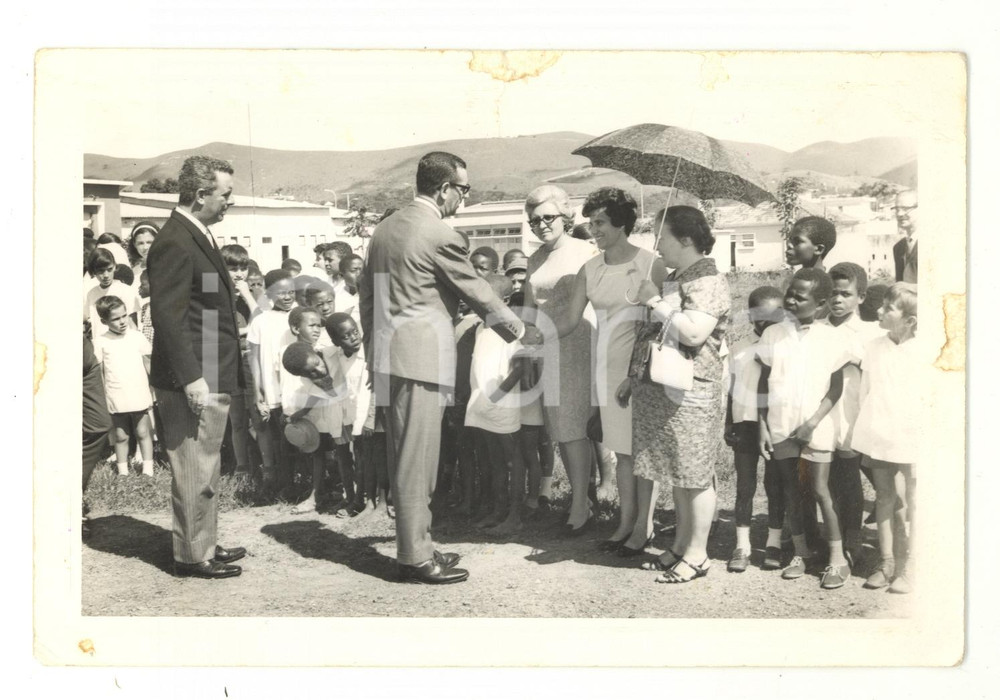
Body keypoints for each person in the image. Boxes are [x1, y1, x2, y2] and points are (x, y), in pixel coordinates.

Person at [359, 151, 540, 584]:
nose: (465, 199)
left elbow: (368, 297)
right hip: (421, 361)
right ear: (443, 189)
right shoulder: (437, 233)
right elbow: (477, 290)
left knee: (406, 455)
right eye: (463, 190)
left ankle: (416, 546)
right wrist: (522, 331)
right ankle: (415, 557)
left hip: (391, 357)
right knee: (417, 461)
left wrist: (373, 352)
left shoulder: (385, 230)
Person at [146, 155, 246, 579]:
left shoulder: (196, 236)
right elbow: (168, 318)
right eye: (225, 194)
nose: (230, 201)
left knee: (207, 464)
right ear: (201, 194)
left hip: (212, 367)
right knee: (193, 465)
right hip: (194, 376)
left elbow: (203, 307)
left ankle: (202, 539)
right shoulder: (175, 240)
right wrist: (191, 378)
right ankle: (191, 556)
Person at [620, 206, 731, 584]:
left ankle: (699, 554)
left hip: (693, 390)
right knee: (678, 472)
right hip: (665, 387)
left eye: (661, 236)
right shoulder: (676, 276)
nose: (657, 244)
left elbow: (695, 333)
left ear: (685, 239)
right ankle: (683, 545)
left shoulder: (709, 280)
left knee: (695, 474)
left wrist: (655, 301)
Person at [551, 187, 663, 552]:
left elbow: (661, 324)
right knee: (623, 452)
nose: (593, 230)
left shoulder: (651, 264)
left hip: (642, 372)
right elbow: (568, 321)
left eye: (599, 222)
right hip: (605, 370)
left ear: (621, 222)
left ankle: (642, 529)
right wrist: (528, 335)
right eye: (591, 223)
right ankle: (625, 524)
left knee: (642, 452)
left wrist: (636, 374)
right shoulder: (590, 268)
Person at [757, 268, 852, 589]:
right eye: (790, 293)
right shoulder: (773, 335)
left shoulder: (832, 338)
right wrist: (762, 426)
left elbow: (835, 390)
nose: (791, 299)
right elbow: (762, 385)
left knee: (821, 491)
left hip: (817, 428)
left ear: (821, 302)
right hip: (780, 426)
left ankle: (837, 559)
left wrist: (811, 423)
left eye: (801, 296)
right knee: (791, 493)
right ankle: (801, 552)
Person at [522, 184, 598, 534]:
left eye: (548, 217)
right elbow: (528, 307)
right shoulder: (535, 258)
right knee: (561, 429)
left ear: (566, 216)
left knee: (573, 428)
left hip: (579, 343)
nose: (541, 225)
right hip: (547, 349)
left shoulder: (586, 251)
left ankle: (581, 505)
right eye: (534, 220)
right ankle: (582, 499)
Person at [853, 283, 920, 594]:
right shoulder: (874, 346)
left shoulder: (924, 350)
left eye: (888, 309)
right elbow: (867, 390)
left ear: (910, 320)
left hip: (914, 437)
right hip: (880, 434)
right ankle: (887, 562)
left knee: (917, 503)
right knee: (884, 498)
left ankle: (913, 565)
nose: (879, 311)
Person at [821, 262, 884, 564]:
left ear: (861, 297)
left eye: (846, 294)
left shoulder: (869, 333)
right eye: (832, 293)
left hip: (852, 414)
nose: (837, 300)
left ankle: (853, 535)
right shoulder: (817, 329)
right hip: (822, 416)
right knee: (828, 479)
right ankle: (832, 535)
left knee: (851, 478)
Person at [724, 286, 786, 572]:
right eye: (760, 318)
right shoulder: (740, 348)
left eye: (774, 317)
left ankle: (773, 542)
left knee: (774, 486)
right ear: (750, 317)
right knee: (745, 486)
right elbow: (732, 389)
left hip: (775, 425)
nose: (767, 324)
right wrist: (729, 423)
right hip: (744, 423)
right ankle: (742, 545)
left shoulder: (786, 347)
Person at [464, 274, 528, 533]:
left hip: (502, 405)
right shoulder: (482, 327)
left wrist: (498, 397)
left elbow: (520, 367)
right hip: (481, 404)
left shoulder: (512, 327)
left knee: (512, 460)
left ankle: (515, 516)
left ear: (503, 300)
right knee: (493, 461)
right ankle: (497, 511)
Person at [247, 269, 297, 495]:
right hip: (272, 387)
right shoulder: (260, 321)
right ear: (268, 294)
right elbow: (254, 357)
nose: (287, 297)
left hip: (295, 388)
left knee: (297, 435)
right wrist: (258, 389)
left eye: (291, 292)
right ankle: (281, 484)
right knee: (277, 437)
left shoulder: (300, 316)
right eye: (281, 293)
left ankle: (300, 482)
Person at [92, 296, 155, 477]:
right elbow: (100, 371)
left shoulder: (137, 337)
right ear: (104, 321)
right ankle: (123, 473)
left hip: (138, 391)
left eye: (124, 316)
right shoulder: (101, 341)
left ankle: (148, 471)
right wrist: (103, 396)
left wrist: (154, 387)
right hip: (116, 394)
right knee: (121, 435)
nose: (122, 321)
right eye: (116, 318)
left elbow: (148, 364)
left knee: (143, 431)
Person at [84, 248, 142, 335]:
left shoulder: (125, 290)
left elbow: (132, 324)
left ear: (115, 266)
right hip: (100, 344)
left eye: (109, 269)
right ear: (93, 271)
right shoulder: (91, 293)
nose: (106, 275)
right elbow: (91, 321)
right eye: (101, 271)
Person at [892, 190, 918, 283]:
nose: (899, 214)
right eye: (897, 209)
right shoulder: (898, 247)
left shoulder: (935, 243)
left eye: (905, 208)